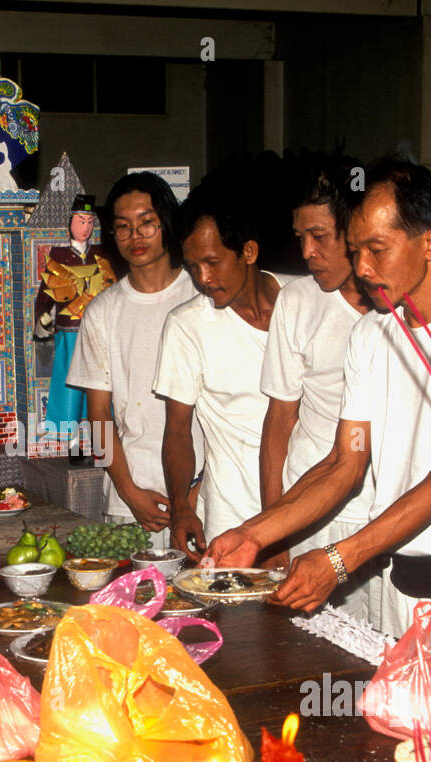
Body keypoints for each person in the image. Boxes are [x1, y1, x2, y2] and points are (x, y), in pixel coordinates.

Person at [207, 160, 431, 692]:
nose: (361, 267)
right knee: (400, 739)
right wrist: (254, 533)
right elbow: (347, 460)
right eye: (356, 248)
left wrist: (339, 561)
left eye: (377, 249)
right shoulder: (371, 335)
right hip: (400, 577)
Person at [258, 156, 380, 623]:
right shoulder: (298, 301)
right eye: (300, 237)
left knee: (378, 653)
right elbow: (280, 420)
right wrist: (274, 529)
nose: (307, 252)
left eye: (320, 237)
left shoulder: (397, 310)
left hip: (381, 514)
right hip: (309, 511)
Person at [153, 180, 295, 555]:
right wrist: (182, 507)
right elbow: (179, 432)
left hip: (309, 513)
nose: (202, 279)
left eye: (212, 262)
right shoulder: (187, 325)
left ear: (248, 251)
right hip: (233, 520)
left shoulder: (305, 301)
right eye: (192, 266)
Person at [66, 172, 203, 547]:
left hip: (205, 497)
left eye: (147, 223)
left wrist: (197, 493)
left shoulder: (202, 295)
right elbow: (98, 417)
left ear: (166, 224)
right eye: (123, 228)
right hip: (135, 501)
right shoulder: (102, 312)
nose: (135, 237)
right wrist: (128, 490)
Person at [35, 194, 116, 454]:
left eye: (90, 222)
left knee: (100, 380)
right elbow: (46, 292)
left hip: (98, 330)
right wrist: (42, 317)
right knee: (69, 379)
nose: (86, 226)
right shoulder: (58, 255)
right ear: (70, 223)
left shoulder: (102, 254)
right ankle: (67, 435)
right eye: (81, 220)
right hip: (69, 328)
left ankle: (102, 432)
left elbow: (114, 290)